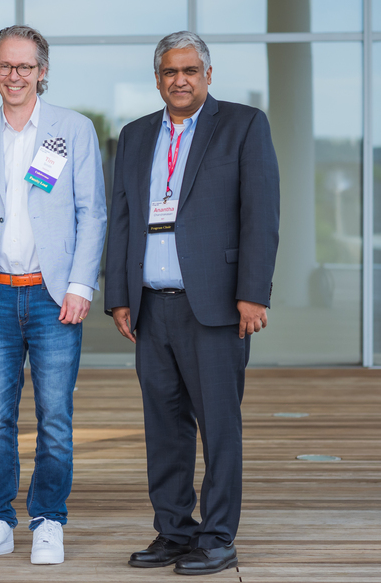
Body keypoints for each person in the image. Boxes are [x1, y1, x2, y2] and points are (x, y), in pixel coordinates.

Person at [104, 31, 280, 576]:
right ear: (157, 79)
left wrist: (252, 293)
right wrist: (118, 297)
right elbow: (124, 218)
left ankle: (219, 536)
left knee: (219, 425)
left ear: (207, 74)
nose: (179, 80)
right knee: (164, 426)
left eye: (189, 71)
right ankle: (174, 531)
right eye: (168, 72)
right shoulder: (134, 136)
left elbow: (261, 214)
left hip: (217, 306)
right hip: (151, 307)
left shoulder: (243, 125)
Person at [0, 25, 107, 565]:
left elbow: (93, 213)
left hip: (53, 295)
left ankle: (48, 520)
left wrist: (81, 284)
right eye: (4, 66)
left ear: (43, 70)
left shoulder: (74, 129)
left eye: (25, 67)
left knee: (56, 417)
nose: (14, 76)